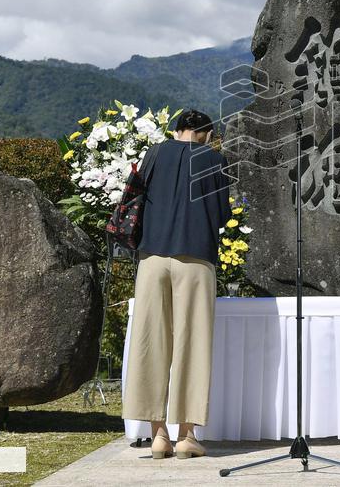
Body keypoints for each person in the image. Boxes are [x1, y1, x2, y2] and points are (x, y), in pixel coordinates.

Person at [121, 109, 231, 460]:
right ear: (206, 133)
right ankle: (186, 435)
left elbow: (133, 195)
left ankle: (157, 436)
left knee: (150, 340)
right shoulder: (213, 158)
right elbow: (223, 215)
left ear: (178, 129)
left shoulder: (154, 153)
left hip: (152, 258)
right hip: (196, 258)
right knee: (192, 342)